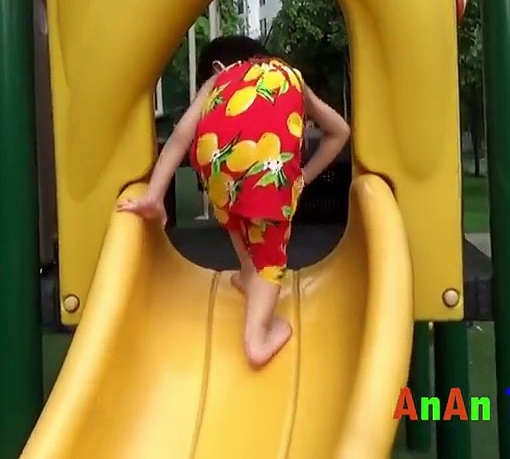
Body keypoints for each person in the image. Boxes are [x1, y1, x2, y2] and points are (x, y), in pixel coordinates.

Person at [118, 35, 351, 369]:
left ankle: (246, 274)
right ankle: (258, 339)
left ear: (217, 67)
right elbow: (340, 131)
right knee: (270, 254)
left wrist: (155, 196)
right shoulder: (288, 75)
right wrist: (301, 179)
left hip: (215, 163)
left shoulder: (218, 80)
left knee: (237, 214)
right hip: (268, 172)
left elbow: (182, 135)